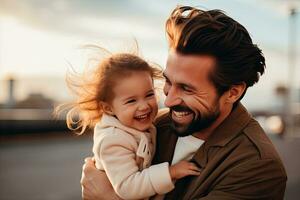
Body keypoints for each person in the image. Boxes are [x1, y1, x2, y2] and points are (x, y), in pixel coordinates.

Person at [81, 6, 287, 200]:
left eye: (187, 89)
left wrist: (107, 197)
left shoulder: (257, 167)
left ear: (232, 92)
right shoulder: (154, 125)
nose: (168, 101)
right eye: (168, 82)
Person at [63, 51, 202, 200]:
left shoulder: (138, 127)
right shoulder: (113, 140)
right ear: (108, 108)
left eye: (149, 95)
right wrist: (171, 172)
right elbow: (128, 187)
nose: (144, 106)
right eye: (131, 101)